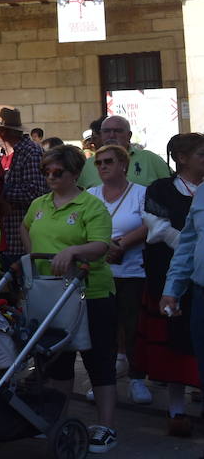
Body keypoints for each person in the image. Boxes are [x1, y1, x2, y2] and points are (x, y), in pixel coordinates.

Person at [18, 143, 118, 454]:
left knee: (98, 359)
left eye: (57, 172)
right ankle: (55, 419)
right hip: (51, 292)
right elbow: (25, 227)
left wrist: (73, 251)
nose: (50, 176)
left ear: (74, 174)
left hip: (91, 292)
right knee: (56, 358)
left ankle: (106, 426)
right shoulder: (39, 204)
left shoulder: (91, 206)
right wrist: (30, 254)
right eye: (45, 171)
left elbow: (102, 245)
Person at [141, 133, 204, 437]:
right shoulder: (162, 189)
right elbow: (158, 229)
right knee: (177, 340)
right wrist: (192, 251)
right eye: (201, 154)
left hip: (198, 276)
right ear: (182, 158)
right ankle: (176, 410)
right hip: (171, 274)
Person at [85, 143, 152, 405]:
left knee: (133, 326)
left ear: (123, 164)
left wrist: (122, 244)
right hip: (99, 271)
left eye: (108, 162)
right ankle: (104, 381)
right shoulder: (90, 194)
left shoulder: (140, 193)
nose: (103, 167)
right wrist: (102, 249)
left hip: (132, 270)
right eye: (99, 163)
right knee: (103, 329)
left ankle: (137, 379)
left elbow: (151, 224)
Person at [0, 104, 46, 259]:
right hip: (6, 239)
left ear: (2, 131)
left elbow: (36, 192)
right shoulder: (2, 154)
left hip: (22, 242)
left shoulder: (32, 152)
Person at [80, 115, 173, 189]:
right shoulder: (88, 164)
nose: (112, 135)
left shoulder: (150, 159)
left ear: (129, 135)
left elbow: (173, 188)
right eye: (106, 131)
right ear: (101, 135)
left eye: (118, 131)